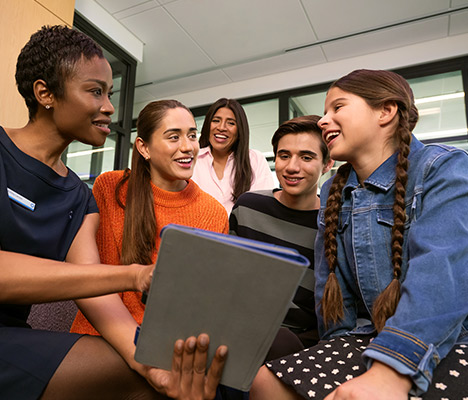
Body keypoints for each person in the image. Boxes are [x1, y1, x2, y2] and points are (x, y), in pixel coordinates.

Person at [0, 25, 225, 400]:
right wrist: (135, 275)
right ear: (45, 93)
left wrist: (148, 364)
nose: (108, 107)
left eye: (110, 93)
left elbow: (92, 288)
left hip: (11, 336)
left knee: (145, 376)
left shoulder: (78, 196)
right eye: (95, 91)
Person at [249, 69, 468, 400]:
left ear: (386, 111)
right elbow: (333, 299)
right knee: (266, 382)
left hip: (449, 335)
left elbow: (441, 273)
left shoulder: (444, 168)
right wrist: (334, 353)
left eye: (337, 107)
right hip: (367, 335)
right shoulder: (334, 190)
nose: (324, 121)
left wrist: (390, 370)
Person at [70, 99, 229, 390]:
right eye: (174, 136)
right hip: (103, 334)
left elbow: (201, 301)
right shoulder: (110, 188)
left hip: (170, 344)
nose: (188, 146)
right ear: (143, 148)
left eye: (192, 135)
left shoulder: (213, 212)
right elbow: (95, 279)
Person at [230, 115, 334, 359]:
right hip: (238, 330)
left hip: (297, 343)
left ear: (327, 164)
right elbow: (228, 278)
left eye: (306, 157)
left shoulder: (333, 222)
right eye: (284, 155)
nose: (291, 167)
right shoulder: (248, 207)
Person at [192, 98, 274, 214]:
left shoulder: (255, 160)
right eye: (216, 120)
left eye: (231, 123)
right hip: (198, 231)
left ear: (239, 130)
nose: (221, 128)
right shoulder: (192, 159)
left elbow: (263, 207)